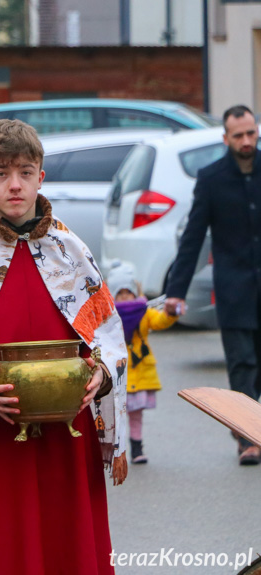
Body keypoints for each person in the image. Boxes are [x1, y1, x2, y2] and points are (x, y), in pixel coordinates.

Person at [0, 119, 128, 575]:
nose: (15, 185)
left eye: (26, 172)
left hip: (66, 438)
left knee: (66, 546)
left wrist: (101, 374)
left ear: (41, 177)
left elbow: (107, 335)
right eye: (1, 173)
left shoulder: (71, 251)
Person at [165, 104, 261, 466]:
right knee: (242, 365)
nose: (246, 140)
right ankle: (248, 439)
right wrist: (176, 290)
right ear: (226, 138)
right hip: (234, 290)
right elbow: (192, 237)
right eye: (239, 135)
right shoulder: (212, 178)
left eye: (251, 133)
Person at [108, 262, 177, 464]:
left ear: (135, 292)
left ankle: (137, 449)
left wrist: (171, 314)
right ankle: (115, 450)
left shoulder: (143, 312)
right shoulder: (108, 315)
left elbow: (159, 321)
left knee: (135, 415)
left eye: (128, 292)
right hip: (117, 373)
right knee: (115, 417)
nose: (124, 298)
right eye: (119, 294)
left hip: (138, 371)